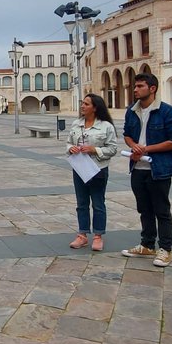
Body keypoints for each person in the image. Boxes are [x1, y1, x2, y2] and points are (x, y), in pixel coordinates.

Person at [121, 73, 172, 267]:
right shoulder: (132, 111)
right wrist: (133, 146)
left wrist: (145, 148)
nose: (135, 89)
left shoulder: (167, 112)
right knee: (144, 209)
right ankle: (147, 244)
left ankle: (165, 248)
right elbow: (127, 134)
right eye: (135, 86)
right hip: (138, 168)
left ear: (152, 88)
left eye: (140, 86)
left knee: (161, 210)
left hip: (158, 169)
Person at [66, 93, 121, 252]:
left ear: (95, 108)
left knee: (98, 203)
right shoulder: (77, 124)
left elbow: (112, 149)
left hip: (98, 169)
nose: (82, 106)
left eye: (86, 104)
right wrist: (71, 148)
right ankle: (82, 234)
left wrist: (94, 150)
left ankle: (98, 236)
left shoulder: (106, 127)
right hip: (80, 168)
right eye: (82, 103)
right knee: (81, 203)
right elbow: (69, 141)